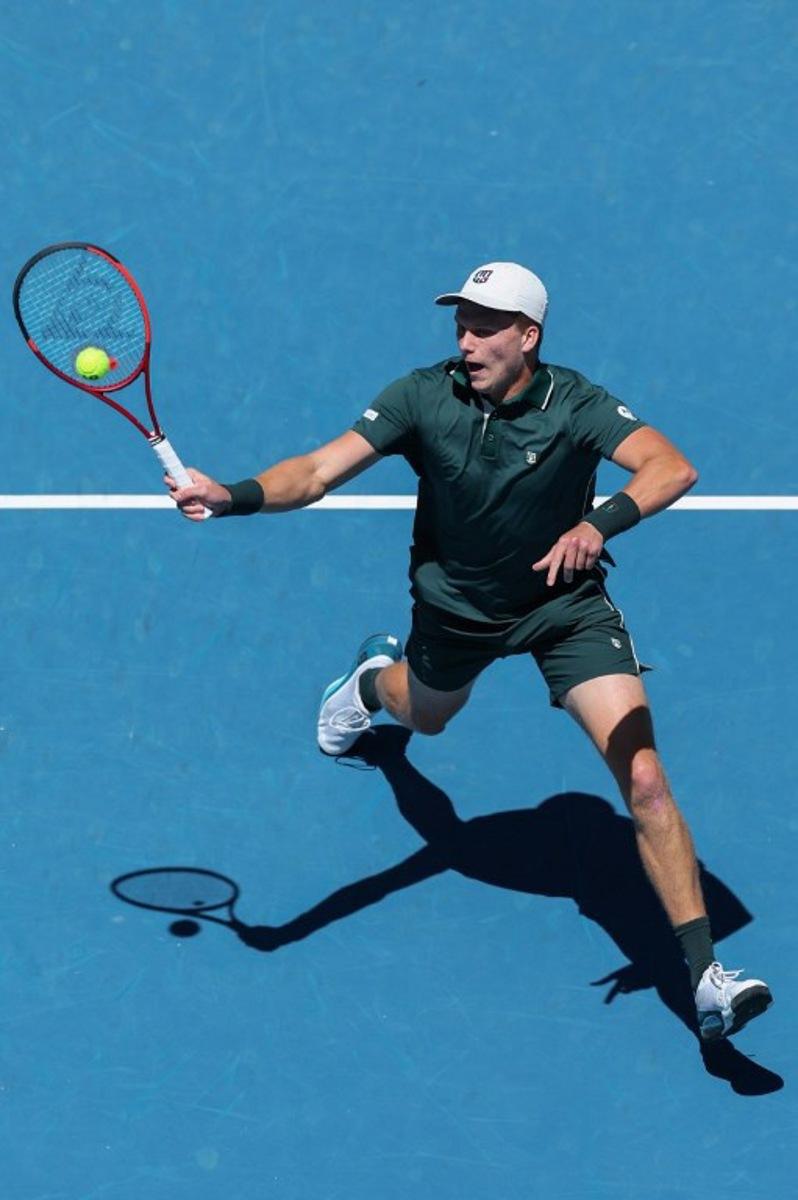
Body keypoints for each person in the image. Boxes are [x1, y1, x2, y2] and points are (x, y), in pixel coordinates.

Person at [167, 260, 772, 1043]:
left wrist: (598, 525)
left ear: (530, 337)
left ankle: (707, 979)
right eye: (461, 323)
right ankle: (367, 685)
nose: (467, 339)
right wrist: (234, 495)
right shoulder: (422, 395)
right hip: (457, 611)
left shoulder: (576, 404)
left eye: (486, 326)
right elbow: (318, 470)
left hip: (564, 610)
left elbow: (671, 466)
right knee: (425, 715)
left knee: (646, 779)